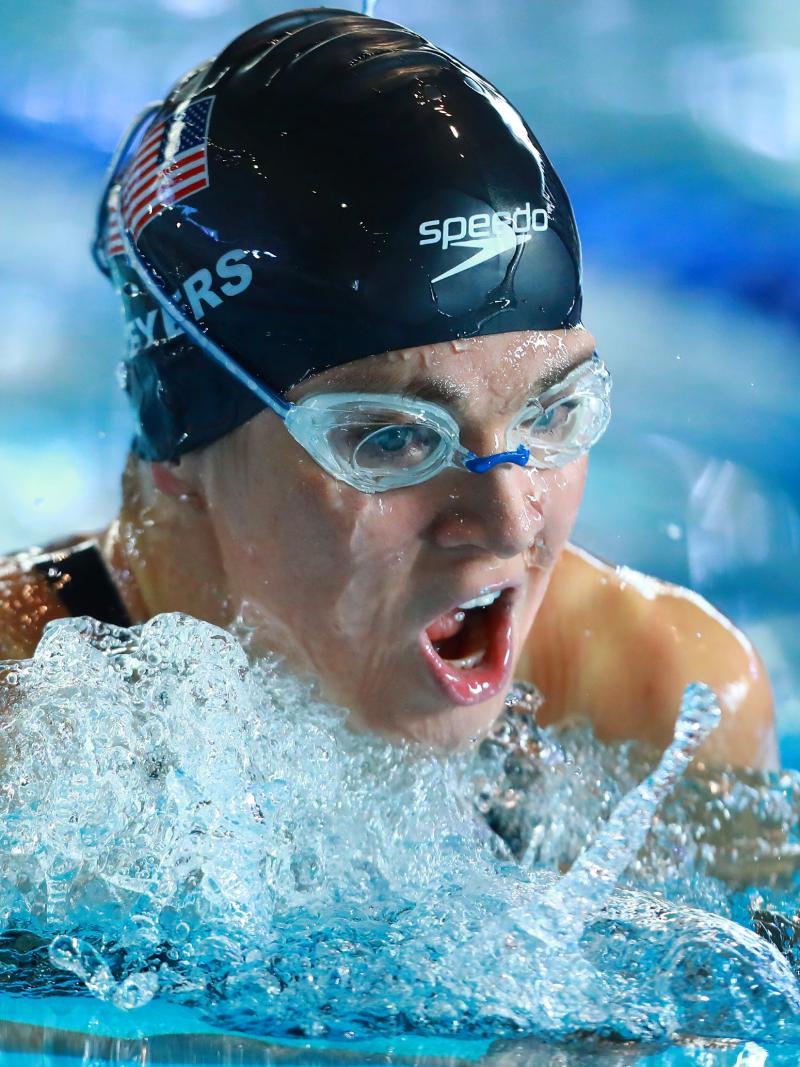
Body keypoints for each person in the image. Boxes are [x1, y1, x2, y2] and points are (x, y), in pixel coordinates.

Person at [0, 8, 777, 769]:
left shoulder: (655, 706)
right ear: (181, 431)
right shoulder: (22, 732)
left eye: (548, 413)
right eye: (394, 437)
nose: (508, 524)